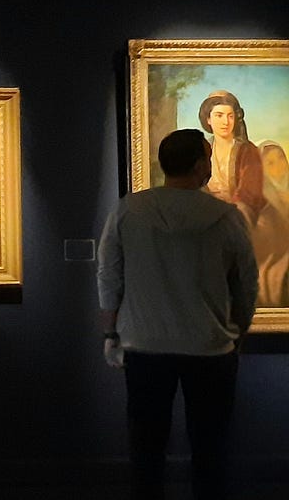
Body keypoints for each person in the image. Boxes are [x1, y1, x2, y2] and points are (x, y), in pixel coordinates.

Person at [97, 128, 258, 500]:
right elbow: (246, 282)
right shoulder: (225, 216)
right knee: (210, 449)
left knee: (146, 450)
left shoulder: (129, 209)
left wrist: (110, 332)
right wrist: (239, 330)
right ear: (200, 165)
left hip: (144, 344)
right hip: (210, 346)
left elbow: (109, 274)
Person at [200, 90, 264, 224]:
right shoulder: (200, 150)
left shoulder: (247, 150)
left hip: (238, 215)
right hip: (206, 214)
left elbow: (249, 194)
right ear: (208, 119)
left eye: (230, 116)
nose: (226, 122)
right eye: (219, 115)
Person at [253, 141, 289, 306]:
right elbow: (264, 236)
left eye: (281, 158)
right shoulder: (260, 200)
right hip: (274, 259)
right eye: (270, 163)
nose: (278, 166)